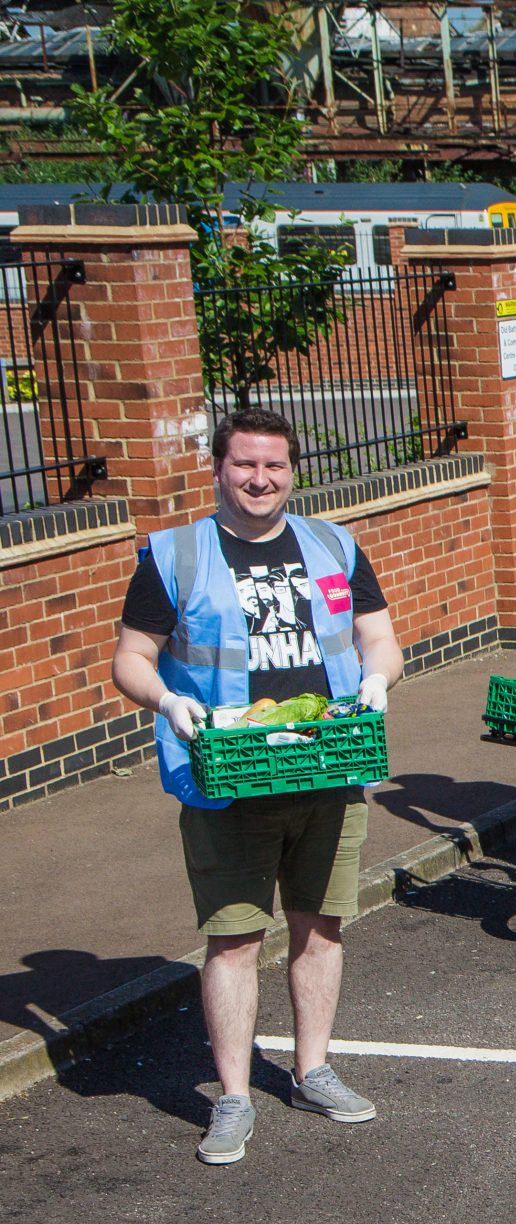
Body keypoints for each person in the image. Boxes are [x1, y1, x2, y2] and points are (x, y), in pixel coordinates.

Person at [109, 408, 405, 1165]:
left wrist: (377, 680)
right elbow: (131, 659)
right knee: (235, 937)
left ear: (292, 471)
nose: (259, 479)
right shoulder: (175, 556)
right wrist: (169, 701)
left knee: (321, 925)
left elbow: (379, 635)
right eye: (244, 464)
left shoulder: (333, 544)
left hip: (328, 763)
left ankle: (312, 1071)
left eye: (273, 466)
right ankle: (234, 1097)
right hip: (230, 777)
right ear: (218, 468)